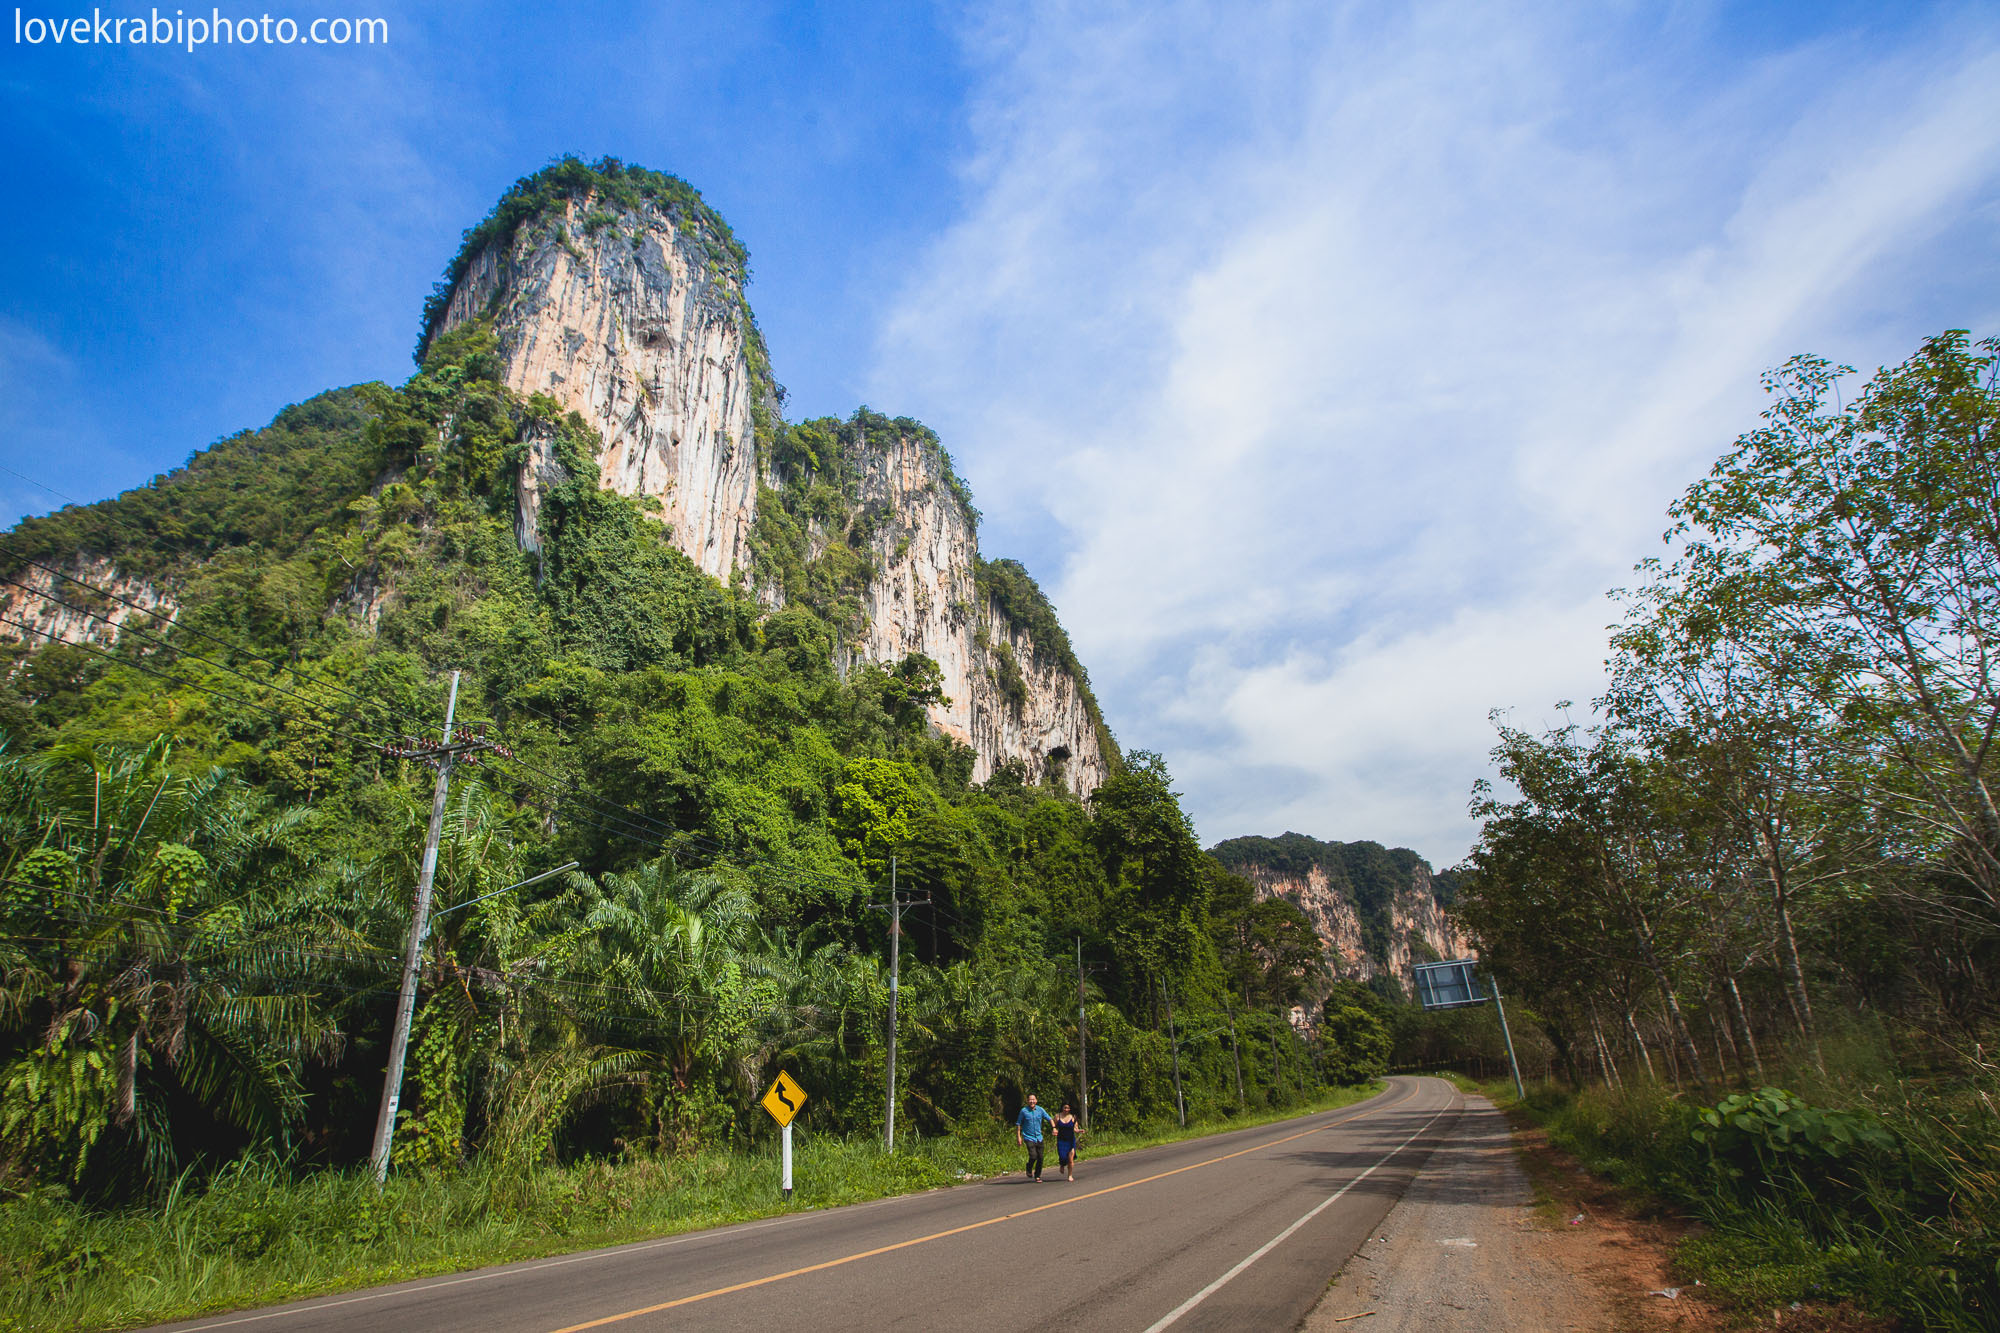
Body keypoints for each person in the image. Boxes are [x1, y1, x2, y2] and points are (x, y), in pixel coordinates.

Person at [1016, 1093, 1054, 1181]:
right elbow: (1018, 1124)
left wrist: (1054, 1128)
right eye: (1030, 1100)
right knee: (1033, 1156)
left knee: (1040, 1157)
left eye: (1033, 1099)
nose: (1032, 1101)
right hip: (1028, 1137)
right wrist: (1019, 1137)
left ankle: (1037, 1175)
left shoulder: (1040, 1110)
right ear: (1027, 1101)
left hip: (1039, 1137)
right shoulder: (1023, 1111)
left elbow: (1049, 1118)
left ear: (1036, 1101)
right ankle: (1029, 1167)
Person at [1052, 1103, 1081, 1181]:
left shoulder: (1073, 1117)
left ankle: (1070, 1175)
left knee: (1070, 1159)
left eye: (1068, 1108)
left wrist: (1079, 1131)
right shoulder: (1057, 1116)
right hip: (1061, 1140)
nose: (1066, 1109)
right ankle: (1062, 1164)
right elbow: (1054, 1126)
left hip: (1070, 1140)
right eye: (1065, 1108)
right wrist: (1054, 1130)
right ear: (1062, 1108)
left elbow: (1075, 1129)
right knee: (1062, 1157)